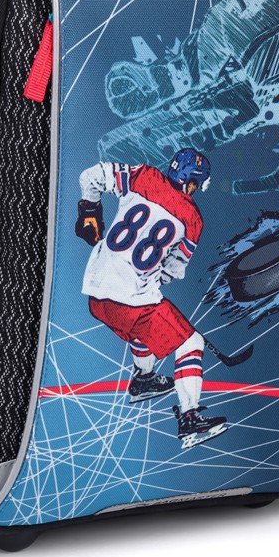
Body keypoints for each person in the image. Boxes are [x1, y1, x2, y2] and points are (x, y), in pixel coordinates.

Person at [76, 148, 228, 446]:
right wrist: (151, 279)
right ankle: (190, 419)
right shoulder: (192, 219)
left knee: (142, 329)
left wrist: (89, 210)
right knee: (191, 343)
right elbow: (173, 271)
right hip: (132, 302)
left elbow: (90, 176)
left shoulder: (143, 175)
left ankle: (143, 379)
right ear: (193, 184)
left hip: (95, 293)